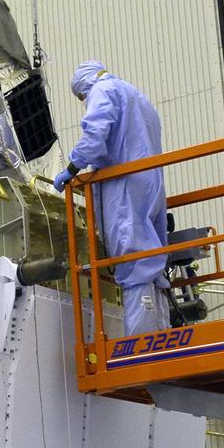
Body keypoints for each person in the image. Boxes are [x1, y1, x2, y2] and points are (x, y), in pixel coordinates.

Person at [53, 61, 169, 338]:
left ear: (83, 88)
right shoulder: (136, 96)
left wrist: (71, 169)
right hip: (151, 182)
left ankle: (140, 347)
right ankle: (164, 337)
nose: (84, 102)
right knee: (152, 260)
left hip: (125, 184)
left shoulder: (102, 90)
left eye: (82, 99)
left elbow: (95, 134)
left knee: (132, 258)